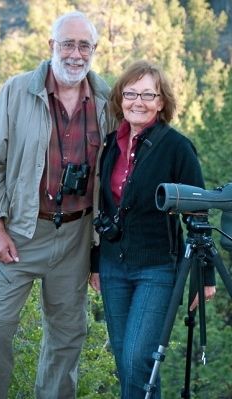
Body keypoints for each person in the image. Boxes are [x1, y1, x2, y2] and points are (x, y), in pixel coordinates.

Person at [0, 11, 115, 399]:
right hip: (19, 231)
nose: (76, 54)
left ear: (94, 50)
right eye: (68, 43)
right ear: (51, 46)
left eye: (84, 46)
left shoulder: (106, 102)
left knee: (67, 339)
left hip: (77, 236)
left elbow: (116, 177)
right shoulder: (16, 92)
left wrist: (100, 250)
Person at [89, 60, 216, 398]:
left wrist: (204, 278)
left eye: (148, 94)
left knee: (137, 359)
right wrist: (95, 263)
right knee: (129, 364)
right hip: (113, 266)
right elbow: (103, 208)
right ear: (120, 98)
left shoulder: (177, 147)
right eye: (130, 93)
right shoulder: (109, 145)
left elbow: (198, 212)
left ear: (161, 101)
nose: (138, 101)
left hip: (157, 267)